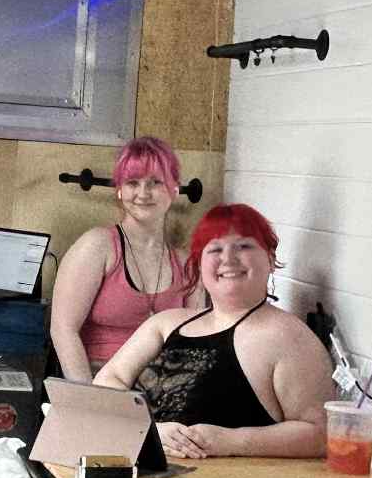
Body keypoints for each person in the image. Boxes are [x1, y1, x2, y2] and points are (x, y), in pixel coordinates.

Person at [96, 203, 338, 460]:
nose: (228, 258)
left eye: (244, 246)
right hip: (138, 476)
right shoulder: (165, 324)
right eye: (215, 249)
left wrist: (232, 441)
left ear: (269, 259)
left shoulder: (288, 338)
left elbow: (321, 435)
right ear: (199, 266)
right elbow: (107, 383)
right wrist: (148, 429)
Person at [48, 136, 198, 381]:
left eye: (155, 183)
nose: (143, 193)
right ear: (119, 190)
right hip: (99, 380)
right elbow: (63, 330)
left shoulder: (186, 263)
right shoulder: (97, 245)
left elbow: (196, 341)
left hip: (161, 389)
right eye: (132, 182)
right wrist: (90, 400)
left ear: (174, 189)